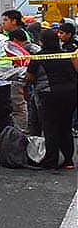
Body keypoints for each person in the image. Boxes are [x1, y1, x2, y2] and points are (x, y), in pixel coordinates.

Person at [26, 29, 78, 170]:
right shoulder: (66, 55)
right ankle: (68, 161)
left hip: (49, 95)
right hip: (70, 94)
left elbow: (29, 77)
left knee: (50, 128)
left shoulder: (38, 57)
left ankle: (51, 161)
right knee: (65, 127)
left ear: (42, 42)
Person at [2, 9, 30, 130]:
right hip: (11, 76)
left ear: (14, 21)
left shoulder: (21, 36)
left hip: (19, 76)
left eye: (6, 20)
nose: (3, 23)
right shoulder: (8, 36)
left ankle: (21, 133)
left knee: (19, 107)